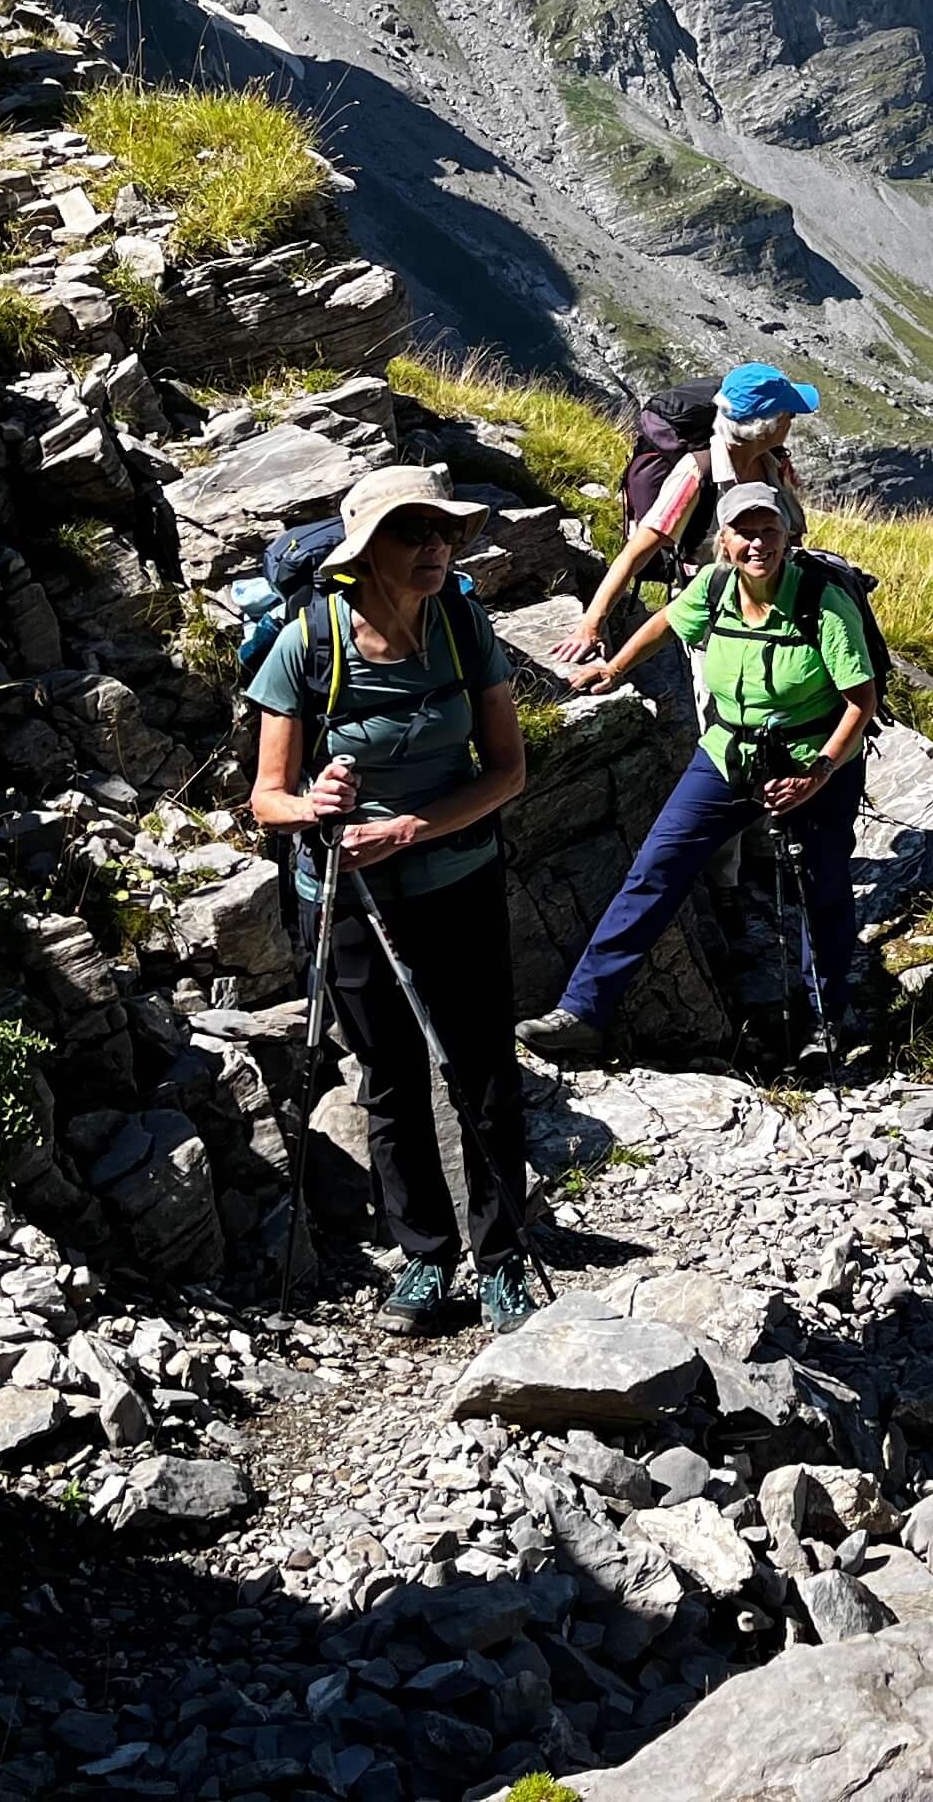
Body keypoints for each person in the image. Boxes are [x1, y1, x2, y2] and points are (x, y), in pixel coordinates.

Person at [244, 463, 548, 1337]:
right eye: (412, 533)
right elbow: (268, 798)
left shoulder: (462, 623)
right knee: (390, 1076)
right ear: (364, 551)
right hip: (345, 894)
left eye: (442, 531)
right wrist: (317, 807)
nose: (435, 547)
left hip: (456, 881)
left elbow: (509, 772)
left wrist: (408, 827)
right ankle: (423, 1256)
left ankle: (500, 1259)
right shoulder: (308, 642)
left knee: (482, 1068)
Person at [517, 481, 878, 1074]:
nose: (757, 542)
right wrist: (612, 666)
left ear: (788, 534)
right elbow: (665, 621)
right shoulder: (713, 587)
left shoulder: (822, 603)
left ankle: (826, 1020)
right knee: (656, 869)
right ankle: (583, 1012)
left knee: (822, 888)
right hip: (728, 753)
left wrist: (817, 773)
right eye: (744, 530)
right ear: (724, 539)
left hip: (815, 759)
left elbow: (859, 704)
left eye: (769, 529)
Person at [549, 362, 822, 682]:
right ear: (767, 425)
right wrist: (591, 625)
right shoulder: (697, 473)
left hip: (782, 610)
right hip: (719, 627)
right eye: (788, 414)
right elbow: (635, 553)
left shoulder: (773, 464)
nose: (792, 420)